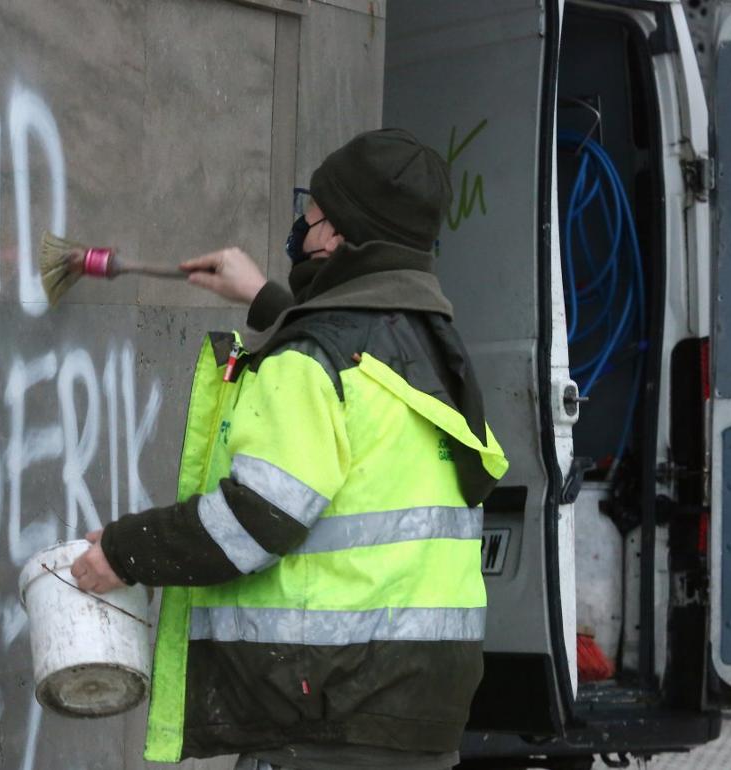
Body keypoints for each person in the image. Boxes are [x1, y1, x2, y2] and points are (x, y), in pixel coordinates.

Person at [70, 128, 508, 770]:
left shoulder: (309, 362)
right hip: (419, 708)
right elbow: (356, 355)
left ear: (334, 234)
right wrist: (270, 301)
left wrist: (123, 551)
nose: (300, 222)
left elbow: (252, 521)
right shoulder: (434, 349)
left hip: (328, 713)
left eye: (312, 208)